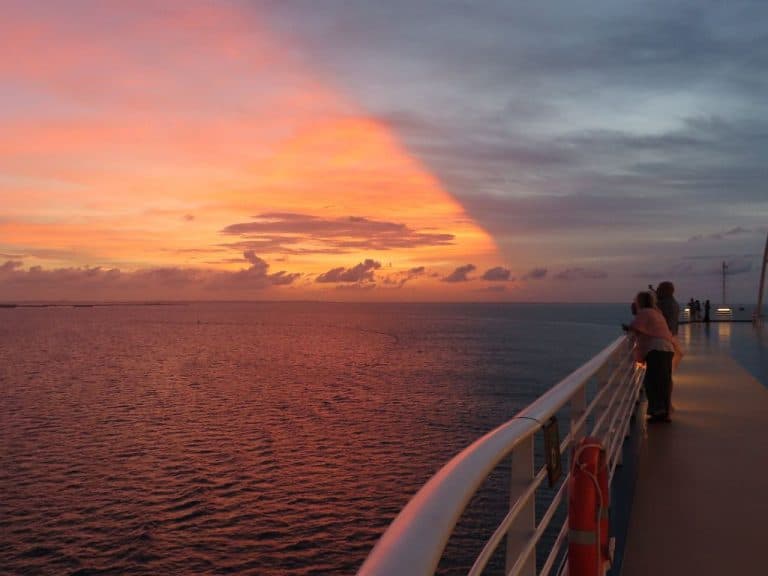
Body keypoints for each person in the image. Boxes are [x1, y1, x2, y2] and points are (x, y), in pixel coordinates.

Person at [626, 290, 683, 422]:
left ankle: (659, 412)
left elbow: (635, 326)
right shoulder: (656, 313)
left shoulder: (644, 312)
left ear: (639, 302)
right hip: (667, 348)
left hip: (657, 349)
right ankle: (664, 411)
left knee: (653, 381)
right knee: (663, 381)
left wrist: (628, 328)